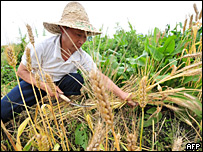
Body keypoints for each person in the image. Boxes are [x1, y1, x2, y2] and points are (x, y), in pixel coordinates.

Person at [1, 2, 136, 123]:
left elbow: (100, 77)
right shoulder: (40, 46)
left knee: (76, 79)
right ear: (63, 29)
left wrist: (123, 95)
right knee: (3, 111)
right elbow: (21, 71)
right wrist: (45, 86)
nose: (82, 41)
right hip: (36, 83)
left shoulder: (82, 57)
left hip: (62, 85)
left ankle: (59, 101)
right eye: (78, 35)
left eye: (85, 37)